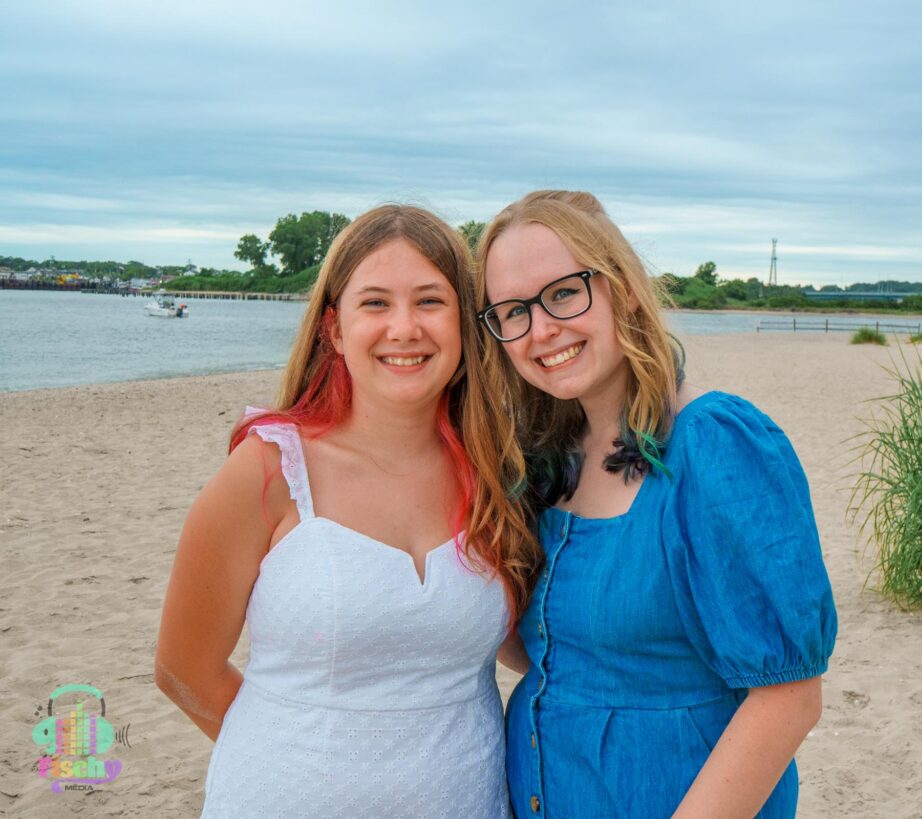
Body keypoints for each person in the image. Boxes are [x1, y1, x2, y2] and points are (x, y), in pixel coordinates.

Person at [154, 204, 540, 818]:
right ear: (334, 329)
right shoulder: (269, 470)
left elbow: (532, 645)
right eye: (376, 303)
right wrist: (296, 758)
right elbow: (184, 669)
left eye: (431, 302)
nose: (405, 328)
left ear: (467, 326)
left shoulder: (499, 478)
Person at [475, 190, 838, 818]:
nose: (541, 329)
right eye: (512, 311)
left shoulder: (715, 444)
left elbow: (789, 699)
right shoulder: (545, 461)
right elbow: (540, 650)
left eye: (563, 293)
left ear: (623, 287)